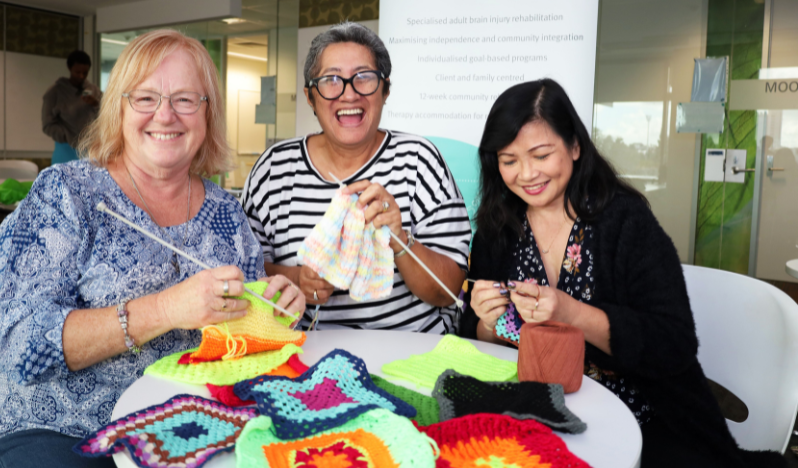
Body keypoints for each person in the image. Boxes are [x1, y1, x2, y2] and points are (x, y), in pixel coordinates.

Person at [0, 30, 306, 468]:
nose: (165, 115)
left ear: (208, 114)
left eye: (186, 99)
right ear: (119, 109)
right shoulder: (67, 194)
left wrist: (271, 310)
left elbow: (237, 345)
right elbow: (20, 342)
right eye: (146, 98)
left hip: (187, 427)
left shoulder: (229, 214)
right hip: (57, 431)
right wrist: (167, 309)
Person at [461, 79, 785, 467]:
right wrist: (487, 323)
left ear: (575, 146)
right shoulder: (498, 227)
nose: (526, 174)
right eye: (509, 160)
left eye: (541, 154)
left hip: (645, 420)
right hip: (535, 416)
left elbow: (673, 343)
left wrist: (572, 313)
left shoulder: (624, 220)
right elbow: (477, 340)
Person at [241, 22, 470, 333]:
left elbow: (448, 290)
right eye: (331, 80)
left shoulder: (419, 160)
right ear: (311, 97)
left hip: (409, 355)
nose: (348, 94)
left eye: (364, 78)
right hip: (303, 357)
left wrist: (399, 239)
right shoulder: (274, 170)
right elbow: (247, 272)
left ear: (385, 91)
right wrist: (299, 278)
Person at [42, 50, 102, 164]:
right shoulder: (55, 92)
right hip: (65, 149)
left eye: (85, 73)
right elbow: (47, 124)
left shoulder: (93, 90)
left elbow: (108, 116)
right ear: (70, 68)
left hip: (90, 148)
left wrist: (96, 103)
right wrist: (66, 136)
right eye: (77, 72)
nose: (81, 76)